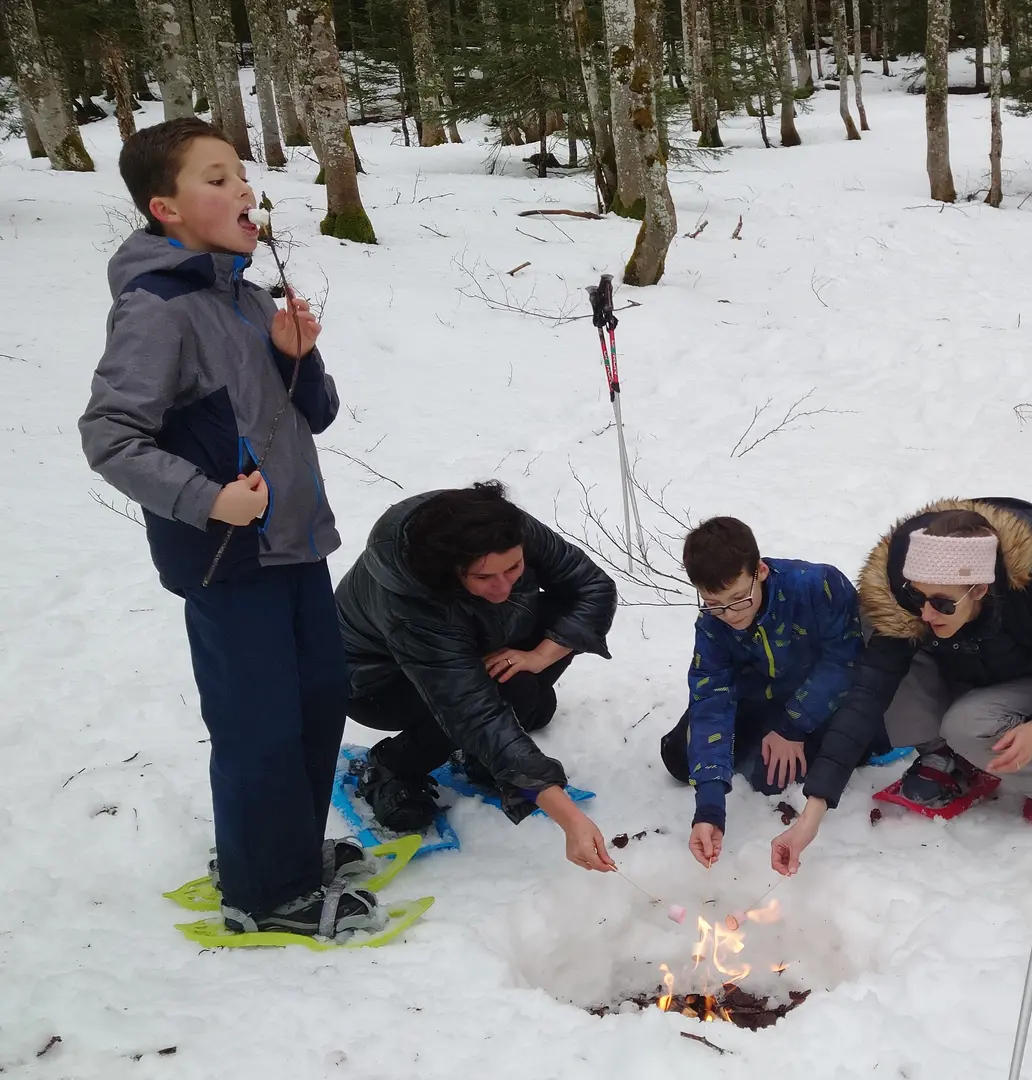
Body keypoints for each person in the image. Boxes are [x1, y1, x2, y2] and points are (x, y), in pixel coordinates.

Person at [78, 117, 378, 939]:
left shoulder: (245, 297)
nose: (240, 187)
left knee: (319, 700)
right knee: (259, 724)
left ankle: (287, 852)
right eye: (214, 177)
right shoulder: (156, 309)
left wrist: (296, 356)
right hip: (227, 556)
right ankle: (262, 889)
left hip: (297, 545)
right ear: (164, 208)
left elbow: (311, 414)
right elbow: (110, 436)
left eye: (240, 173)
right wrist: (209, 499)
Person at [770, 497, 1032, 875]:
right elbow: (866, 699)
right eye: (917, 596)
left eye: (942, 603)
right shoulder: (911, 609)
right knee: (875, 635)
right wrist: (809, 819)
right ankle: (946, 753)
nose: (926, 614)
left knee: (968, 724)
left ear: (979, 589)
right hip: (963, 673)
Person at [334, 482, 619, 872]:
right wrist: (569, 818)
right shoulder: (408, 602)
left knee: (521, 693)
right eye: (485, 578)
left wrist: (541, 655)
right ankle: (393, 765)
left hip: (468, 639)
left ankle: (495, 750)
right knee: (501, 698)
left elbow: (591, 586)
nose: (505, 587)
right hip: (379, 683)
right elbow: (470, 708)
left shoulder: (502, 527)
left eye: (514, 568)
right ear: (450, 570)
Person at [659, 517, 866, 867]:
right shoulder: (713, 624)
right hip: (757, 700)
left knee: (780, 776)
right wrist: (709, 808)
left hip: (819, 697)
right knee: (680, 756)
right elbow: (711, 700)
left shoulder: (818, 586)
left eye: (739, 598)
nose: (729, 614)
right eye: (714, 602)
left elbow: (844, 660)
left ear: (761, 570)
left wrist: (792, 726)